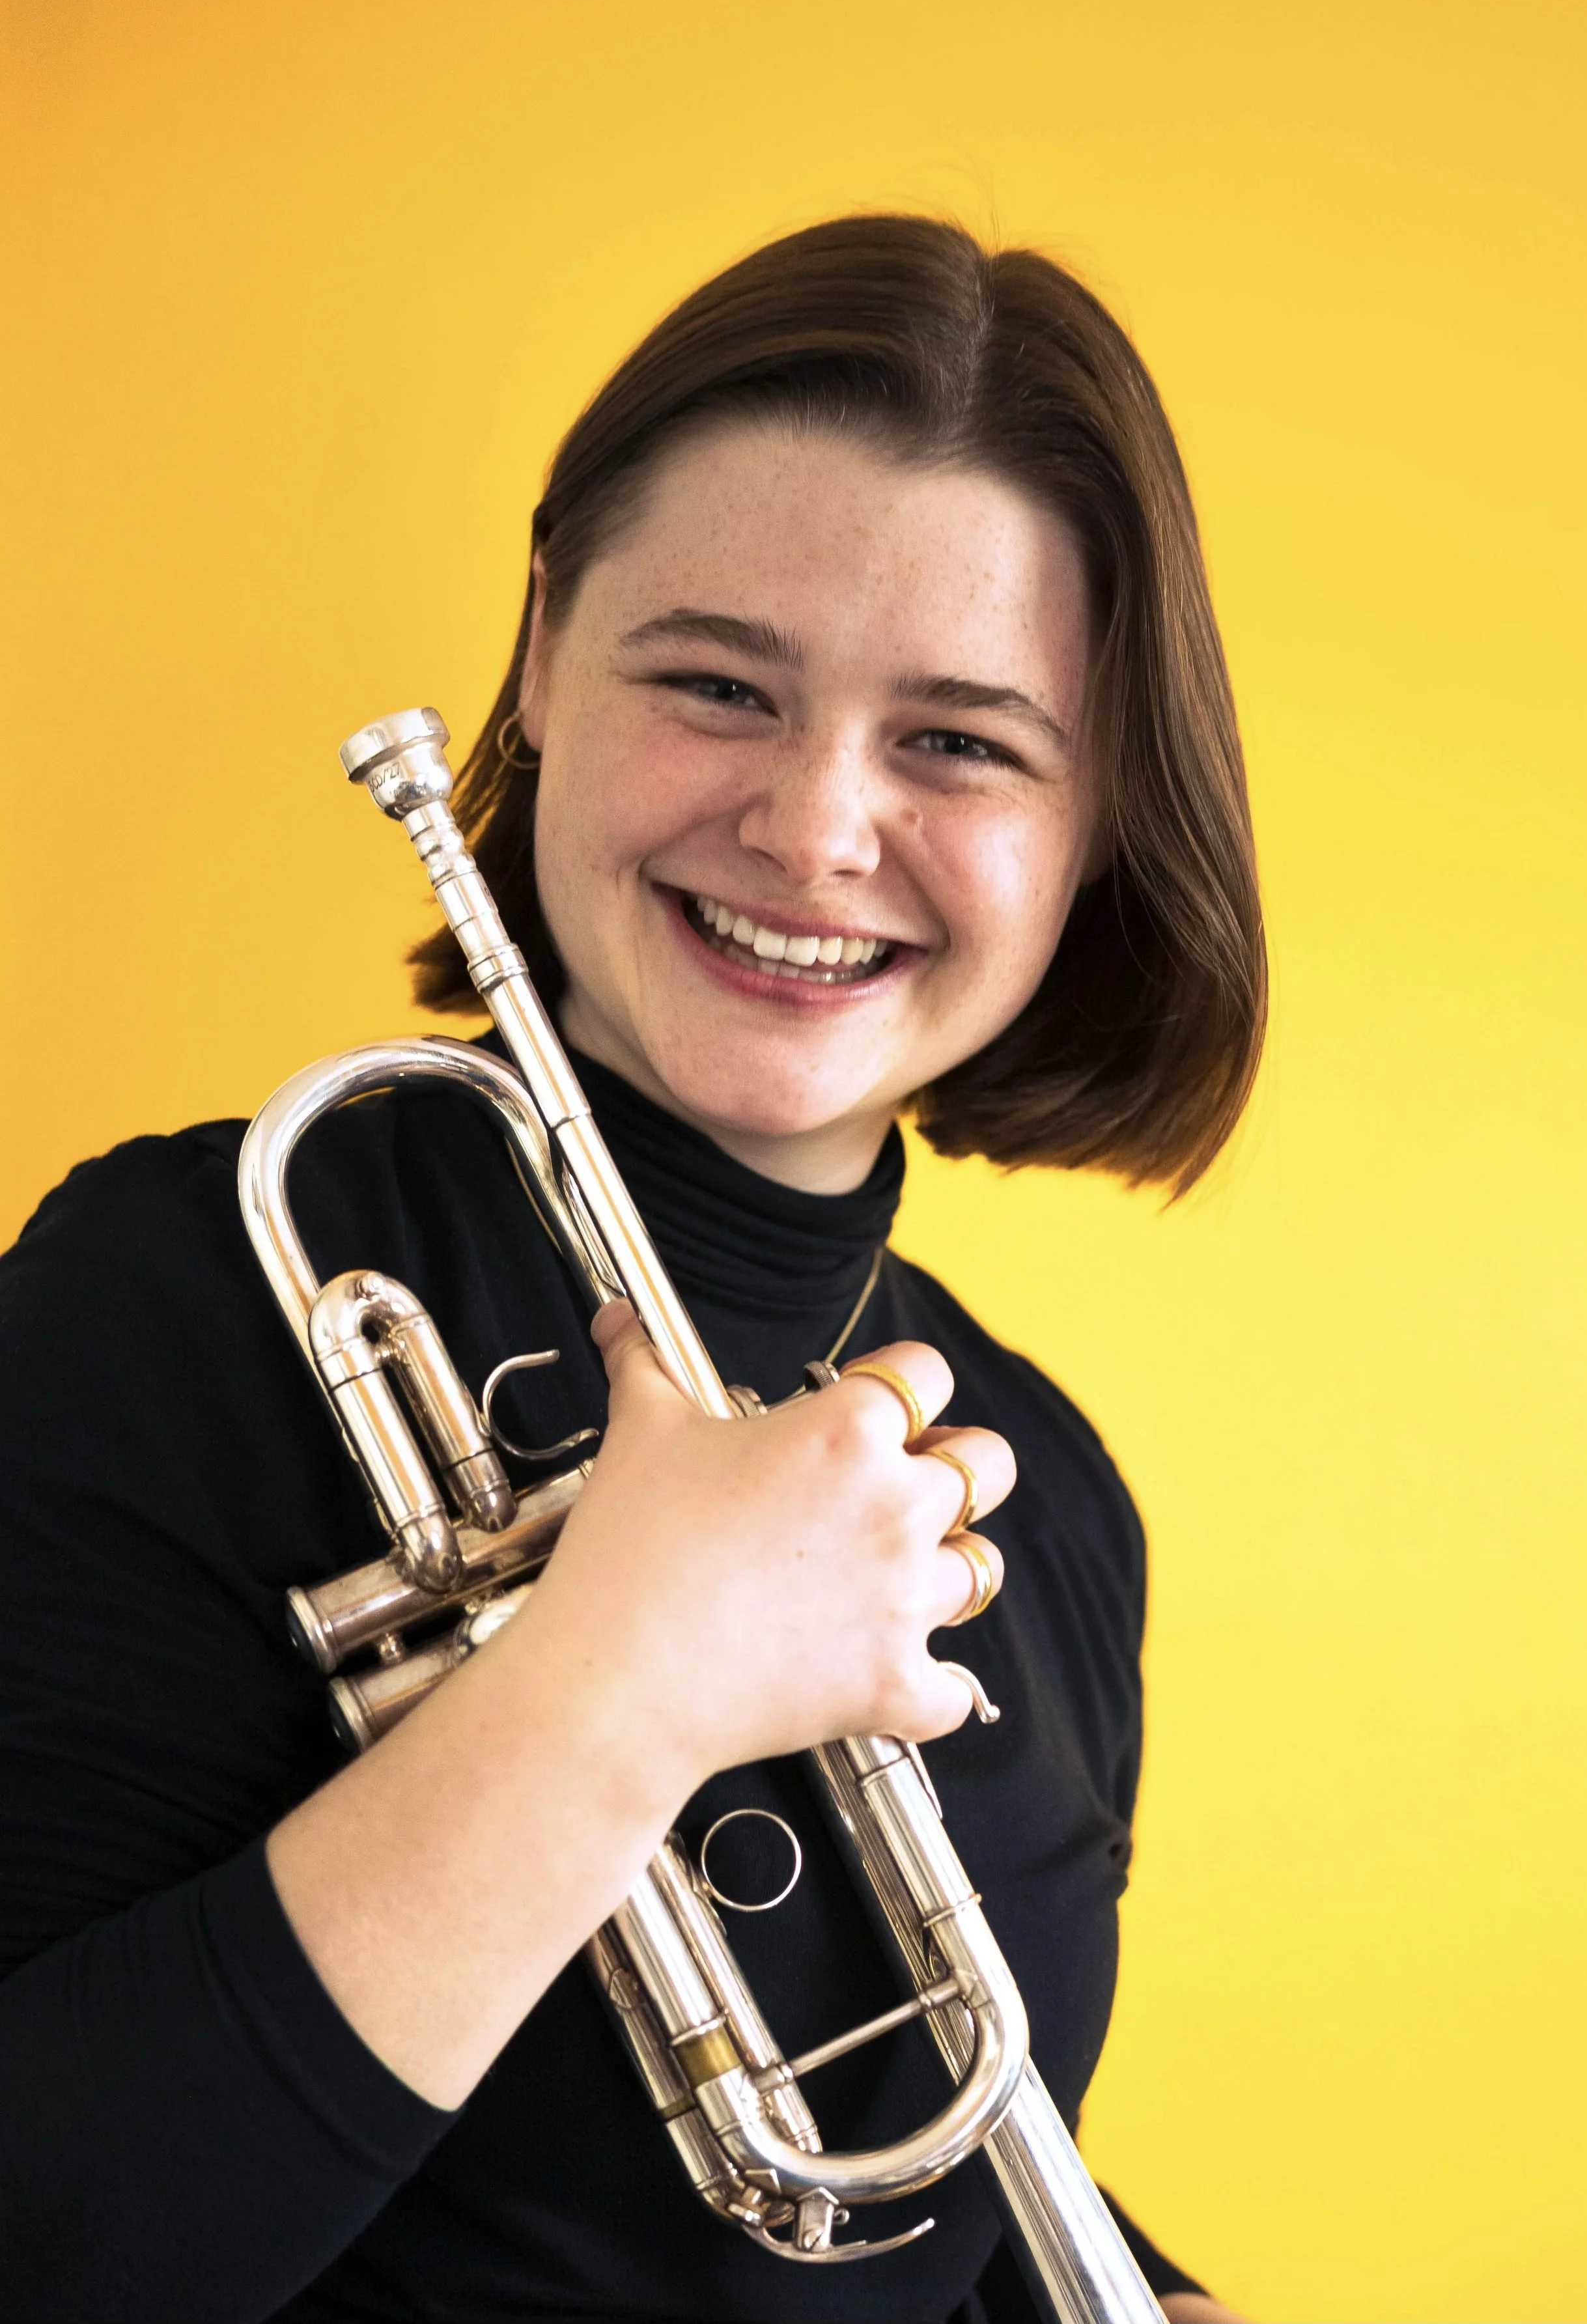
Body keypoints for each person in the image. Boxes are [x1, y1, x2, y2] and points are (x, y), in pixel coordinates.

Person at [0, 216, 1263, 2323]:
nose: (813, 827)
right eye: (717, 686)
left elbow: (923, 2176)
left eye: (958, 741)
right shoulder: (185, 1292)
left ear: (1096, 820)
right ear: (542, 659)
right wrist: (617, 1687)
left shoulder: (1037, 1494)